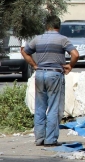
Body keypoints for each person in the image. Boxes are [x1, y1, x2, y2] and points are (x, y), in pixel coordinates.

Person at [21, 16, 79, 146]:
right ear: (59, 26)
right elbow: (75, 54)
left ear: (46, 26)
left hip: (40, 74)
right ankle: (50, 139)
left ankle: (39, 138)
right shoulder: (62, 39)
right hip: (54, 74)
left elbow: (25, 52)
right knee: (54, 107)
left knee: (40, 107)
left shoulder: (37, 39)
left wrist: (34, 65)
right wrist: (70, 66)